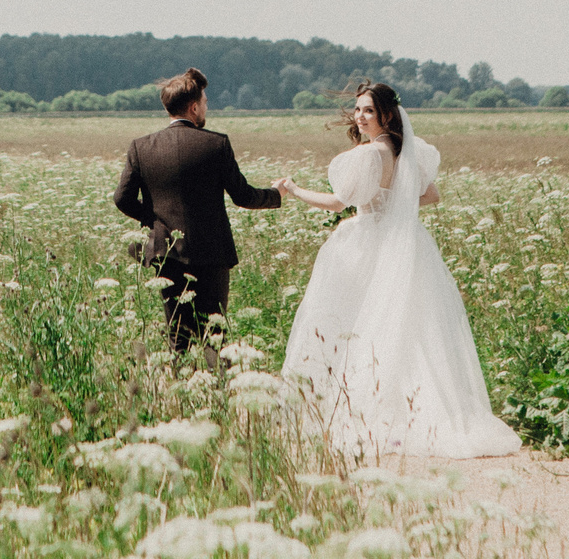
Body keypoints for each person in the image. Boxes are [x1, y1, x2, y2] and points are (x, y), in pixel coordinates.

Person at [276, 81, 519, 460]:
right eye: (358, 110)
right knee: (409, 329)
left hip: (367, 242)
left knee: (355, 326)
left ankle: (366, 411)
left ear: (386, 115)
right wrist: (398, 203)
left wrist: (293, 189)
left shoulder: (368, 155)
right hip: (406, 240)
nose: (360, 116)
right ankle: (414, 412)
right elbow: (432, 195)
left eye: (368, 111)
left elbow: (338, 203)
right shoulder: (407, 150)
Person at [111, 67, 282, 351]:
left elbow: (122, 199)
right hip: (212, 253)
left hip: (167, 255)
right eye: (204, 102)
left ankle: (177, 393)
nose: (206, 107)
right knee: (213, 335)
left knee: (178, 335)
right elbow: (243, 196)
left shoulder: (141, 147)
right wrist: (276, 194)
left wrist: (156, 222)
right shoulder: (216, 144)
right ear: (193, 107)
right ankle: (215, 390)